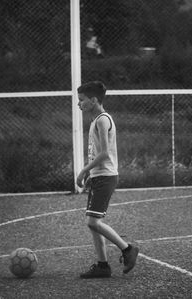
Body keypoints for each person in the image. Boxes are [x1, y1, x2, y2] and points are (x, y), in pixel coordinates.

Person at [77, 81, 139, 278]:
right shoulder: (95, 121)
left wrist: (82, 171)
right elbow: (97, 153)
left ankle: (127, 249)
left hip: (107, 176)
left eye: (82, 100)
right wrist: (91, 174)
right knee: (92, 223)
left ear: (93, 100)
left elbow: (104, 153)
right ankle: (103, 266)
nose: (79, 104)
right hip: (99, 176)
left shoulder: (103, 119)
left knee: (93, 222)